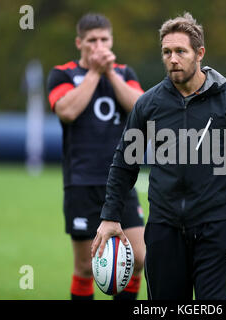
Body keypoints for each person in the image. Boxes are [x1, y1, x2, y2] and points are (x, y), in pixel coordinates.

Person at [91, 12, 226, 300]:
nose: (172, 59)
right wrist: (110, 216)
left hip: (217, 226)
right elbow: (125, 163)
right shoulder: (149, 105)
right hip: (164, 228)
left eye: (180, 51)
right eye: (166, 52)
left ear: (199, 53)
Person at [47, 13, 145, 300]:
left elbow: (140, 108)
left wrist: (110, 72)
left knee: (137, 258)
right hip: (82, 181)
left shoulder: (125, 73)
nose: (98, 46)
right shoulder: (63, 74)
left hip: (121, 181)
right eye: (92, 41)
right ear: (79, 43)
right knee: (86, 266)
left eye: (104, 39)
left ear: (112, 41)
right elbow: (67, 111)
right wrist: (93, 73)